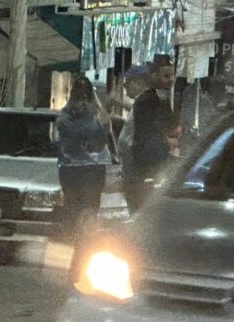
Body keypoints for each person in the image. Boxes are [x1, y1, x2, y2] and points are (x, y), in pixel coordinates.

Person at [55, 75, 112, 239]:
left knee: (72, 204)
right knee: (91, 205)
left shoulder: (65, 113)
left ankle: (71, 236)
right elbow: (106, 134)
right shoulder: (99, 112)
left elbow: (59, 136)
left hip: (70, 166)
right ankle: (87, 236)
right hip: (94, 167)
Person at [123, 55, 180, 213]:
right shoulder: (146, 101)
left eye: (172, 75)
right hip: (146, 169)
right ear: (154, 76)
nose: (170, 80)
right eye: (166, 76)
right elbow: (147, 135)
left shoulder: (164, 100)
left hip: (158, 166)